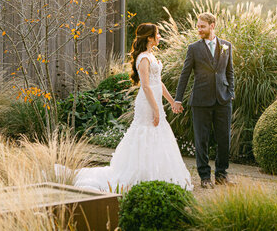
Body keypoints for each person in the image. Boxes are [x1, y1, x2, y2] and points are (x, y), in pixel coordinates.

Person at [67, 23, 193, 192]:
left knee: (158, 133)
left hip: (155, 101)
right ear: (149, 37)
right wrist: (156, 109)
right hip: (147, 104)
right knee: (145, 132)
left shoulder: (152, 55)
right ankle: (137, 174)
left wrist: (170, 101)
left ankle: (156, 174)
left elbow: (158, 82)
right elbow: (146, 86)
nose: (160, 36)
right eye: (157, 34)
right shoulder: (143, 58)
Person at [174, 12, 234, 188]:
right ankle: (205, 177)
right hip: (200, 101)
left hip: (223, 100)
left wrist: (231, 92)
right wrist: (178, 99)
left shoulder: (227, 46)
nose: (199, 29)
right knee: (202, 140)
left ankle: (222, 175)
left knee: (224, 139)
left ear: (212, 26)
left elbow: (230, 72)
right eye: (198, 26)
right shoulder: (194, 48)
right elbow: (185, 74)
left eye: (202, 26)